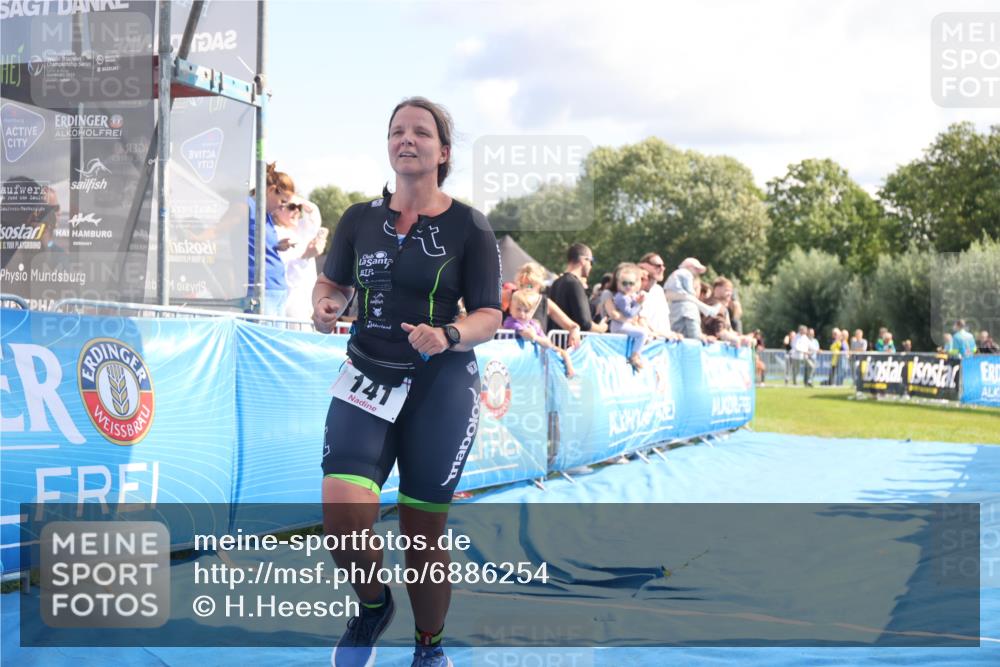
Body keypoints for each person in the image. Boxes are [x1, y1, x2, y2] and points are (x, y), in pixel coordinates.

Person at [311, 97, 501, 667]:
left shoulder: (470, 224)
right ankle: (373, 607)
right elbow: (332, 283)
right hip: (367, 374)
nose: (406, 139)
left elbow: (489, 314)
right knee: (342, 517)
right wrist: (325, 304)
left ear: (443, 152)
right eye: (397, 130)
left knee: (421, 535)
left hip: (439, 385)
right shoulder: (357, 219)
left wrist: (447, 334)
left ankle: (429, 647)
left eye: (421, 132)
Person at [248, 163, 296, 316]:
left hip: (277, 289)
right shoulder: (246, 206)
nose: (283, 208)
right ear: (270, 190)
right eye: (283, 201)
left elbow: (258, 244)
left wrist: (277, 246)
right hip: (260, 290)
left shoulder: (267, 214)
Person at [276, 195, 328, 320]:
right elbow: (287, 275)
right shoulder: (275, 233)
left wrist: (297, 199)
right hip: (289, 306)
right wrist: (306, 257)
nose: (297, 211)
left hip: (306, 304)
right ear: (277, 208)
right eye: (291, 207)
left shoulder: (298, 230)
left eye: (299, 208)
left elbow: (313, 215)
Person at [504, 290, 575, 378]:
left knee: (561, 352)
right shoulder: (510, 322)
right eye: (518, 309)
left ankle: (568, 365)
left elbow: (548, 343)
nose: (522, 314)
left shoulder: (534, 324)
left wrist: (536, 337)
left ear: (532, 312)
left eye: (526, 311)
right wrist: (534, 337)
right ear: (511, 309)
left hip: (529, 367)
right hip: (514, 365)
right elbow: (527, 335)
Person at [512, 262, 583, 349]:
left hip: (535, 357)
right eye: (522, 285)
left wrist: (575, 330)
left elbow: (572, 325)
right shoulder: (511, 298)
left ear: (539, 285)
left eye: (530, 285)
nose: (525, 289)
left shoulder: (546, 303)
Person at [547, 243, 608, 335]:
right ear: (583, 260)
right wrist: (602, 328)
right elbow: (585, 323)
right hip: (571, 344)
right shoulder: (574, 283)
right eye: (591, 261)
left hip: (557, 341)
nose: (591, 266)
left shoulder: (556, 282)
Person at [664, 257, 720, 340]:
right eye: (696, 269)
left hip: (674, 305)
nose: (697, 272)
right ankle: (708, 310)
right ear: (689, 266)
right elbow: (689, 290)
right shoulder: (687, 273)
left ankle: (708, 310)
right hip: (685, 305)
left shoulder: (676, 273)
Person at [608, 263, 650, 370]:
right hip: (619, 327)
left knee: (645, 333)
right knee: (643, 333)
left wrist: (639, 299)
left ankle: (635, 354)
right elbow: (629, 313)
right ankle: (634, 357)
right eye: (624, 283)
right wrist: (638, 303)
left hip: (624, 325)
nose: (628, 286)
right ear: (618, 283)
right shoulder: (621, 298)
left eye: (631, 283)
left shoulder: (628, 295)